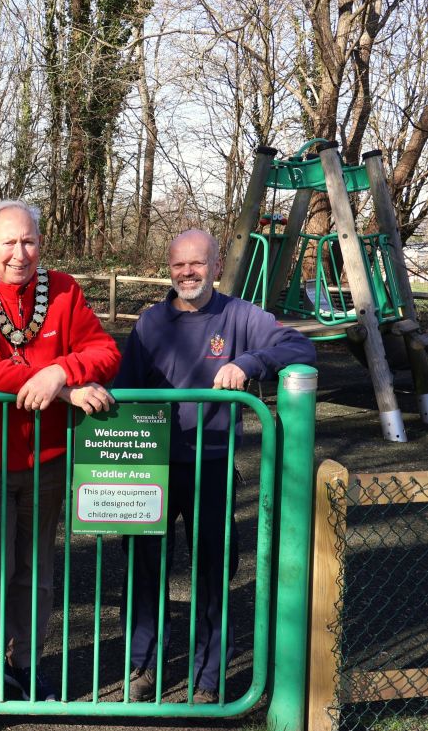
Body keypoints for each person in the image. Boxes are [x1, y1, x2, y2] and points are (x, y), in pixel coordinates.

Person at [113, 228, 316, 704]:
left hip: (211, 465)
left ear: (216, 266)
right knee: (143, 568)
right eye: (179, 264)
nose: (188, 272)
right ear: (169, 268)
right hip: (149, 466)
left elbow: (299, 348)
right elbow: (122, 387)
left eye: (197, 263)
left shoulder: (240, 315)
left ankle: (208, 675)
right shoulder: (150, 323)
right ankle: (144, 664)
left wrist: (250, 362)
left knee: (212, 570)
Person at [0, 199, 120, 701]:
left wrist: (62, 370)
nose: (19, 253)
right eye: (9, 242)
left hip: (47, 464)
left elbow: (105, 351)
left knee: (36, 574)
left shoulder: (62, 288)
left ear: (41, 243)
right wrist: (62, 388)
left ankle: (25, 665)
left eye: (29, 241)